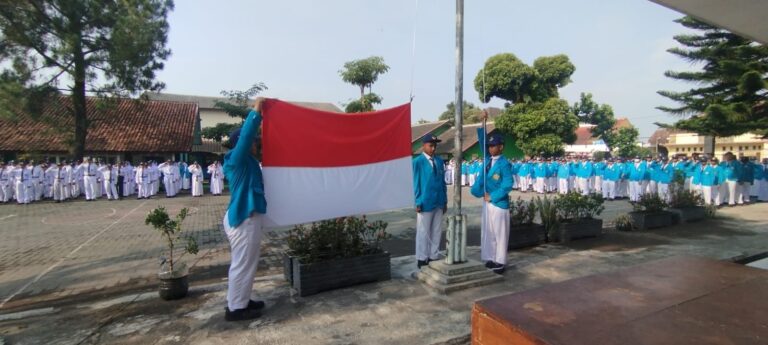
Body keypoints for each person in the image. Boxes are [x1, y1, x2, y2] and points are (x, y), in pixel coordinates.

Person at [221, 97, 268, 322]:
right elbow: (247, 135)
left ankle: (241, 299)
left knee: (248, 263)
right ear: (243, 142)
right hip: (243, 219)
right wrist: (256, 112)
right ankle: (236, 309)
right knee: (242, 264)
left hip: (248, 218)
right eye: (253, 141)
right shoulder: (235, 160)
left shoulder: (249, 162)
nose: (256, 144)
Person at [471, 132, 514, 275]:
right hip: (487, 203)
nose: (490, 148)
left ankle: (500, 261)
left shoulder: (504, 164)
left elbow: (508, 184)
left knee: (499, 234)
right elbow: (481, 180)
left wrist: (493, 197)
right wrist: (476, 191)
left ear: (501, 147)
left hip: (498, 203)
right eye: (489, 146)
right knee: (488, 232)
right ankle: (490, 258)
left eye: (493, 146)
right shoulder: (487, 161)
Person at [412, 135, 448, 269]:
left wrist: (445, 200)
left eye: (435, 146)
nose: (433, 148)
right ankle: (422, 258)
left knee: (436, 230)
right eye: (430, 145)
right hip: (425, 202)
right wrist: (417, 201)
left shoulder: (439, 161)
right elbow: (415, 183)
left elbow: (442, 182)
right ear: (424, 146)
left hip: (438, 201)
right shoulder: (417, 162)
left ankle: (433, 255)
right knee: (423, 231)